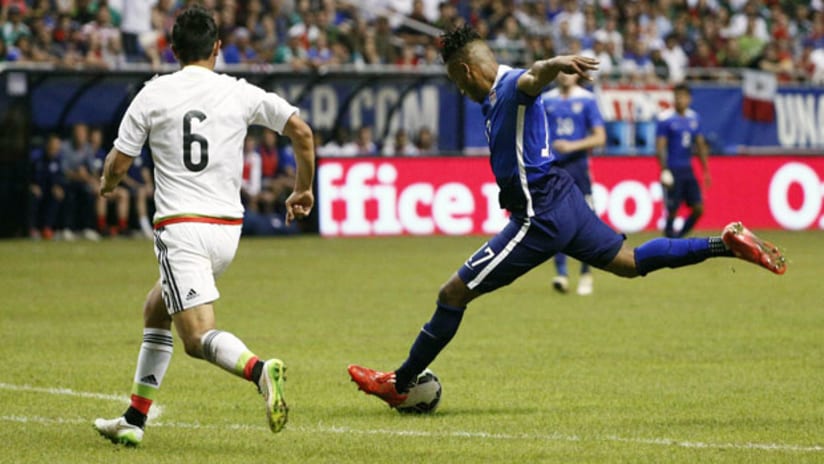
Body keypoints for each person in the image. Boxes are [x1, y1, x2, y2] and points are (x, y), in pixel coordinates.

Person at [347, 25, 786, 410]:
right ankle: (722, 243)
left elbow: (534, 78)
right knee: (631, 263)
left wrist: (554, 63)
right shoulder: (494, 99)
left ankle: (400, 384)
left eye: (456, 82)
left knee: (453, 293)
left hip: (538, 216)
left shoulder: (513, 87)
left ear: (465, 72)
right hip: (566, 201)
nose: (460, 91)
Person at [93, 6, 315, 446]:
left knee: (195, 338)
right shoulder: (239, 91)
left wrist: (107, 183)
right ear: (217, 48)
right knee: (157, 307)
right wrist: (302, 190)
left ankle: (258, 370)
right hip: (228, 233)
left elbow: (119, 162)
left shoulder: (154, 93)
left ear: (171, 49)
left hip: (182, 229)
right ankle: (134, 419)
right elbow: (302, 133)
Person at [541, 71, 605, 296]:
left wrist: (572, 146)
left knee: (586, 219)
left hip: (578, 167)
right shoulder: (547, 99)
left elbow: (600, 137)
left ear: (577, 76)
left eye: (570, 72)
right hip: (554, 168)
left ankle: (586, 272)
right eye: (561, 71)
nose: (565, 76)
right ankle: (561, 273)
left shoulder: (587, 99)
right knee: (554, 219)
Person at [656, 83, 710, 238]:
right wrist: (664, 170)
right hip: (672, 169)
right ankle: (667, 240)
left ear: (689, 99)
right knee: (672, 209)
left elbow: (700, 145)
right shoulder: (665, 119)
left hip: (688, 170)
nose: (680, 100)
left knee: (698, 208)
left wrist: (706, 170)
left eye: (683, 97)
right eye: (677, 97)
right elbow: (660, 147)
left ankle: (678, 238)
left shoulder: (694, 118)